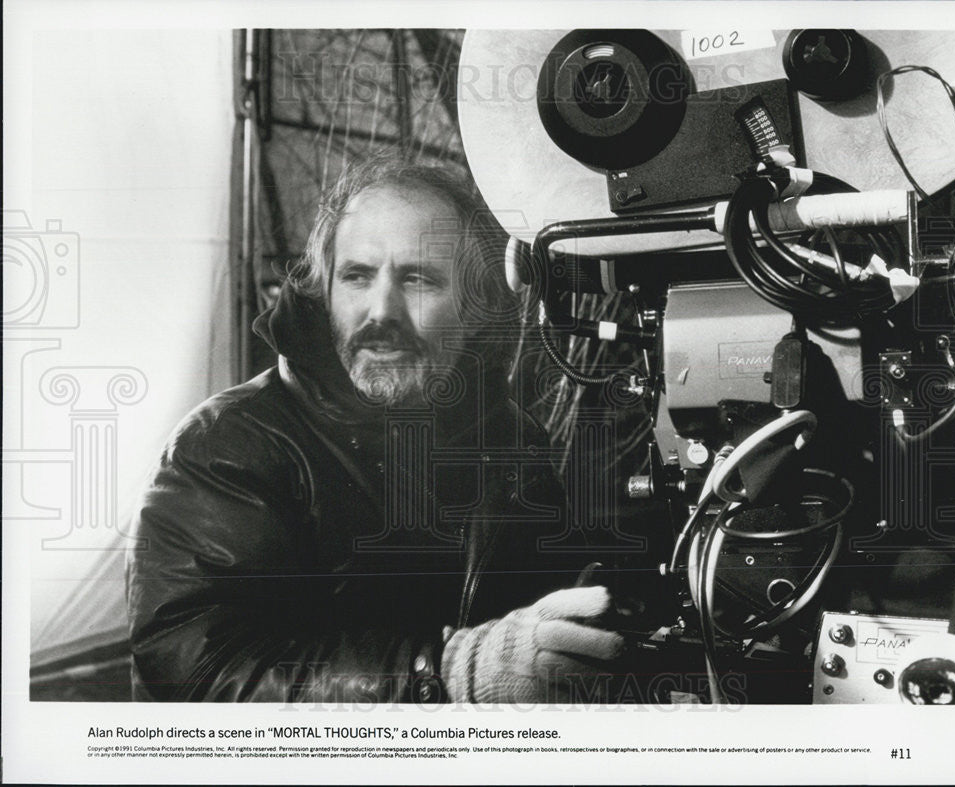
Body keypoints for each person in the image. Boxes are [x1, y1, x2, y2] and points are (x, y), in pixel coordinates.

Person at [125, 154, 624, 703]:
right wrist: (443, 674)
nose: (380, 311)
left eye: (418, 279)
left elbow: (550, 598)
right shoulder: (225, 446)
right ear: (325, 291)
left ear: (476, 308)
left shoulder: (507, 438)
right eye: (357, 277)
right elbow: (200, 676)